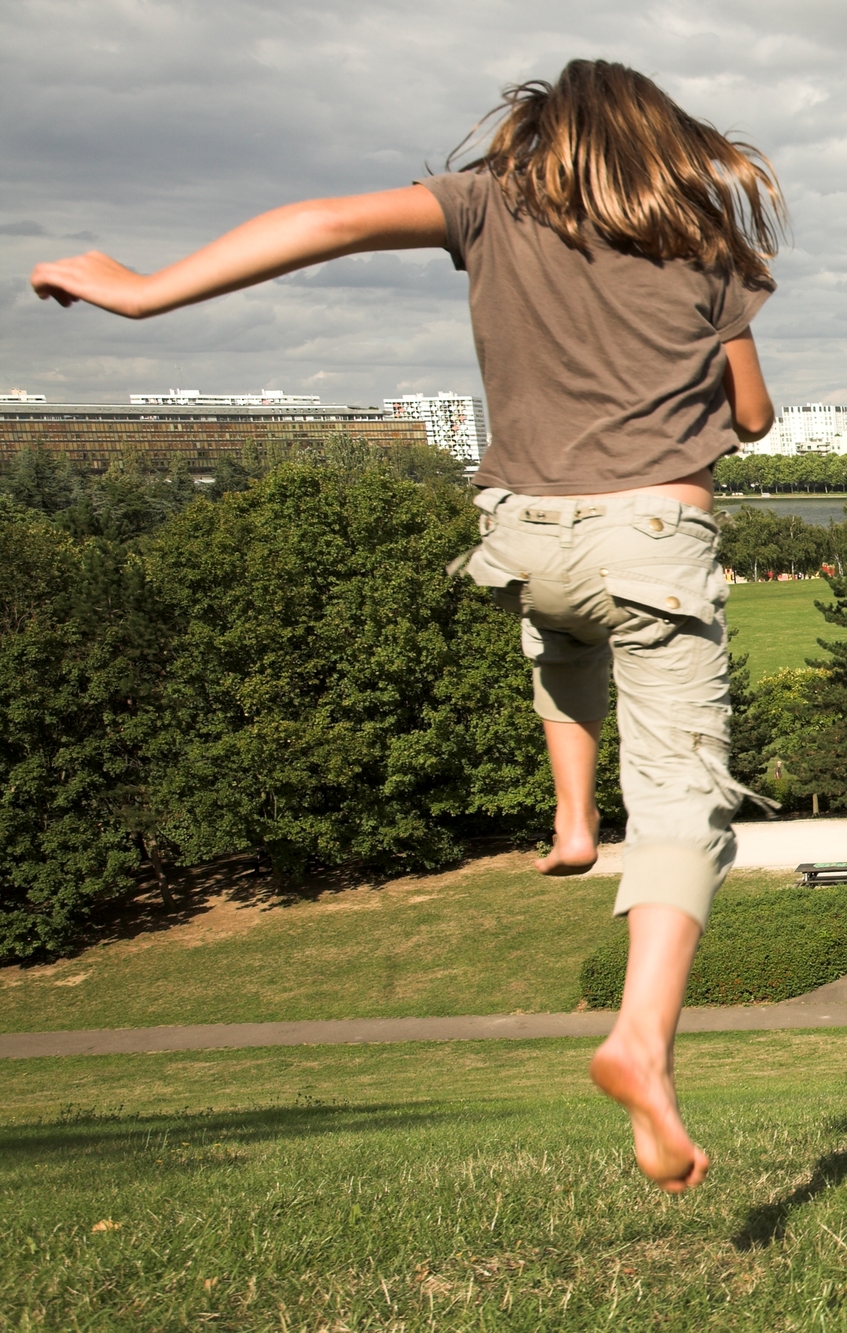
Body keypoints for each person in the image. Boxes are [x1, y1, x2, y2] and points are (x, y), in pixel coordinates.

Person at [30, 59, 785, 1194]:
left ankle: (574, 818)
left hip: (523, 535)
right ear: (665, 146)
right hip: (653, 538)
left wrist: (140, 290)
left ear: (540, 139)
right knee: (682, 796)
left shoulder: (489, 203)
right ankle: (642, 1040)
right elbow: (755, 416)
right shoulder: (706, 249)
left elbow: (325, 220)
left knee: (563, 630)